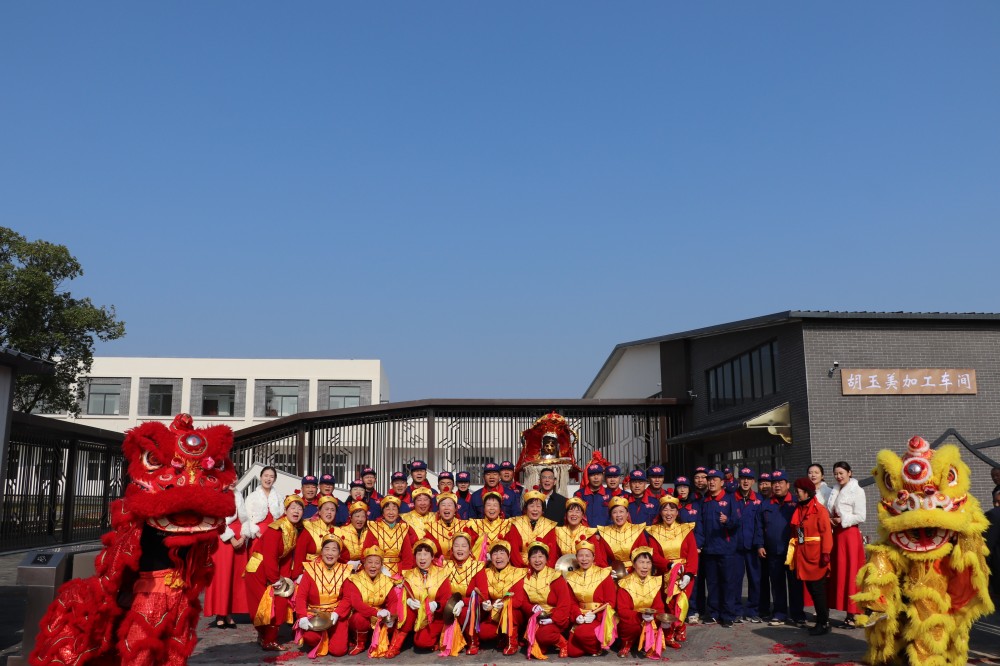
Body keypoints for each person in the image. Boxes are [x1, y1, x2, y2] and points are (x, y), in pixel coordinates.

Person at [244, 493, 305, 651]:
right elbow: (269, 556)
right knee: (262, 607)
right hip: (258, 570)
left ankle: (268, 638)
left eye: (299, 508)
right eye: (293, 508)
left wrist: (286, 578)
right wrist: (275, 579)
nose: (296, 511)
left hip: (273, 570)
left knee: (279, 602)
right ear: (286, 510)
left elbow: (285, 557)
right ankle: (266, 638)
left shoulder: (293, 529)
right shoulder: (276, 528)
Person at [757, 470, 806, 627]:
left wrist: (802, 544)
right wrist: (760, 545)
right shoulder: (765, 504)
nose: (777, 486)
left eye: (780, 482)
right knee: (777, 583)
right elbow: (759, 526)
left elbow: (801, 524)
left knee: (795, 584)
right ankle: (779, 613)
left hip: (793, 551)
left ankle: (797, 614)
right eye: (774, 483)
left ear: (787, 485)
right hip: (773, 551)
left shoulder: (796, 502)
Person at [294, 533, 352, 658]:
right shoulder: (310, 569)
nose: (330, 553)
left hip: (335, 616)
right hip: (315, 615)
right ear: (321, 552)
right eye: (327, 549)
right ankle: (322, 639)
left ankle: (332, 637)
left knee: (338, 651)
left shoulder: (345, 571)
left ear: (339, 554)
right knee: (310, 637)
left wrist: (337, 613)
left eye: (334, 550)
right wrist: (302, 616)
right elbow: (301, 596)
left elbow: (348, 598)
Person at [393, 539, 453, 656]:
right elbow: (405, 594)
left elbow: (446, 598)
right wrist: (408, 601)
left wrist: (436, 605)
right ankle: (395, 646)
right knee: (406, 611)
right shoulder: (409, 574)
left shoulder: (441, 574)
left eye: (425, 554)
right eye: (419, 554)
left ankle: (438, 638)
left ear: (432, 557)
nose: (422, 558)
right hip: (416, 614)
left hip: (435, 617)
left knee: (422, 642)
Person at [515, 541, 574, 658]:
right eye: (533, 557)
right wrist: (532, 608)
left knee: (544, 635)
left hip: (555, 617)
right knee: (537, 643)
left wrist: (552, 619)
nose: (537, 560)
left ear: (547, 559)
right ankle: (544, 642)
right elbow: (523, 601)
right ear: (529, 559)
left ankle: (563, 644)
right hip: (536, 618)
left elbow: (565, 603)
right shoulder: (525, 577)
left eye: (541, 556)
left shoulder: (555, 576)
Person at [825, 461, 866, 627]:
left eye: (841, 473)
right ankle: (844, 610)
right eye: (836, 473)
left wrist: (842, 519)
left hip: (850, 535)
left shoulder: (858, 490)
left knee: (851, 572)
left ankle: (853, 614)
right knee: (840, 572)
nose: (838, 476)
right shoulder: (835, 490)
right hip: (837, 535)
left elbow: (861, 516)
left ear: (850, 473)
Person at [791, 477, 833, 636]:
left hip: (816, 557)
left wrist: (826, 553)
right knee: (812, 590)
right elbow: (798, 531)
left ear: (807, 492)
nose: (796, 494)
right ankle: (821, 621)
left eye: (798, 491)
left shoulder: (819, 510)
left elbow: (826, 533)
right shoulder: (800, 508)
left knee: (818, 591)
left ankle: (824, 623)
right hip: (803, 555)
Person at [470, 540, 527, 656]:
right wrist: (485, 603)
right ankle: (501, 636)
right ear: (490, 557)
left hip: (513, 613)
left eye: (502, 553)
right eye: (495, 553)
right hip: (493, 612)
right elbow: (483, 594)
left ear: (508, 557)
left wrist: (504, 604)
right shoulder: (486, 572)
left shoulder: (518, 573)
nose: (498, 557)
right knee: (484, 633)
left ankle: (512, 642)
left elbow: (519, 600)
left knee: (510, 611)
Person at [204, 481, 249, 629]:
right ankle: (220, 613)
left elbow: (245, 519)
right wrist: (232, 539)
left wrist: (243, 536)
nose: (233, 481)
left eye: (235, 477)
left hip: (239, 539)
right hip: (224, 539)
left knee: (235, 577)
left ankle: (229, 613)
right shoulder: (218, 495)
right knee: (222, 577)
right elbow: (218, 520)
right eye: (230, 478)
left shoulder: (238, 494)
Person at [700, 468, 740, 627]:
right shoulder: (705, 501)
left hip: (726, 549)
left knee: (728, 582)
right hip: (709, 549)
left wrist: (727, 521)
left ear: (722, 482)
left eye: (714, 480)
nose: (711, 482)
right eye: (709, 480)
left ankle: (728, 614)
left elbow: (737, 521)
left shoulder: (730, 499)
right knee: (712, 583)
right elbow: (700, 525)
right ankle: (713, 613)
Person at [341, 546, 398, 656]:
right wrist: (376, 613)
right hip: (364, 614)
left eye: (377, 563)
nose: (373, 566)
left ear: (381, 565)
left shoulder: (387, 580)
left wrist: (391, 616)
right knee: (358, 618)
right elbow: (356, 603)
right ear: (364, 564)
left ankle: (384, 641)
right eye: (369, 562)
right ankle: (360, 643)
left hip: (381, 615)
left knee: (397, 619)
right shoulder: (354, 579)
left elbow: (393, 601)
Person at [564, 540, 617, 657]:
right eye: (580, 556)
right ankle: (589, 644)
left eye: (587, 555)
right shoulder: (571, 576)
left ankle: (596, 647)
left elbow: (610, 602)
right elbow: (571, 601)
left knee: (582, 633)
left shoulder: (604, 574)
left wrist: (595, 614)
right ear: (576, 558)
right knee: (573, 652)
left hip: (599, 617)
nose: (584, 559)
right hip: (581, 616)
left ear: (593, 557)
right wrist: (577, 615)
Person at [616, 547, 671, 658]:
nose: (645, 566)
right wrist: (640, 616)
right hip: (633, 620)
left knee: (666, 622)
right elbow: (622, 611)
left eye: (648, 562)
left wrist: (658, 617)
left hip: (650, 619)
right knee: (630, 626)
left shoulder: (655, 582)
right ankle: (626, 644)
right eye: (641, 562)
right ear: (633, 564)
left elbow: (659, 607)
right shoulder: (624, 583)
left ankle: (650, 642)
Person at [646, 495, 698, 599]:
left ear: (677, 512)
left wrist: (688, 574)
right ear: (660, 512)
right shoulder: (654, 531)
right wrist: (670, 565)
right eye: (665, 510)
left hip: (683, 574)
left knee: (681, 605)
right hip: (663, 574)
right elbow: (654, 555)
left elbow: (693, 555)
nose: (668, 513)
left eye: (672, 510)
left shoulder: (686, 529)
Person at [442, 533, 484, 654]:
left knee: (466, 612)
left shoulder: (477, 567)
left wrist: (463, 602)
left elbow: (483, 596)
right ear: (452, 549)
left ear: (470, 550)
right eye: (456, 545)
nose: (460, 549)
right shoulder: (445, 566)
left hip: (472, 608)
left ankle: (473, 641)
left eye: (464, 546)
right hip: (450, 605)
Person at [733, 467, 764, 623]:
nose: (745, 481)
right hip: (736, 548)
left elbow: (760, 525)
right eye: (743, 478)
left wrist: (759, 544)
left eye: (749, 479)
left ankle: (752, 610)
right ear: (739, 480)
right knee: (735, 580)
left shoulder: (758, 499)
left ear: (753, 481)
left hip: (753, 547)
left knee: (755, 580)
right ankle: (736, 611)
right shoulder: (732, 498)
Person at [363, 495, 416, 577]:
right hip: (378, 570)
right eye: (387, 509)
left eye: (394, 509)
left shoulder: (403, 528)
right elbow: (366, 552)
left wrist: (405, 575)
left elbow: (407, 556)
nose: (391, 512)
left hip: (398, 571)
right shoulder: (374, 527)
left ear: (398, 513)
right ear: (383, 513)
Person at [503, 490, 558, 568]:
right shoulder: (516, 523)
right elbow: (514, 552)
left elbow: (552, 554)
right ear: (526, 508)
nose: (535, 509)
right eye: (531, 506)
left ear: (542, 509)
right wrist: (523, 568)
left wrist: (544, 570)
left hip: (543, 568)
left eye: (538, 506)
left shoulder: (549, 525)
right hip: (520, 567)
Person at [596, 496, 650, 573]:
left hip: (635, 571)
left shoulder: (637, 530)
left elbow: (643, 556)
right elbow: (601, 559)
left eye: (621, 511)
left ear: (627, 514)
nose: (618, 515)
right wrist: (608, 572)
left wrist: (631, 570)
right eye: (614, 512)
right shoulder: (604, 532)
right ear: (611, 515)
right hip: (614, 572)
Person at [424, 491, 473, 561]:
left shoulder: (466, 525)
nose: (446, 508)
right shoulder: (430, 528)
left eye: (450, 505)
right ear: (439, 510)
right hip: (439, 566)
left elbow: (472, 550)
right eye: (443, 505)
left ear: (455, 509)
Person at [469, 491, 512, 561]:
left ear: (500, 509)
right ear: (484, 508)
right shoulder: (475, 524)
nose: (492, 508)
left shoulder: (508, 524)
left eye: (495, 505)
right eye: (488, 505)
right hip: (479, 563)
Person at [295, 495, 337, 565]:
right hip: (309, 567)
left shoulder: (338, 531)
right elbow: (299, 554)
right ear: (319, 512)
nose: (329, 512)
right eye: (326, 509)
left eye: (332, 510)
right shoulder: (308, 527)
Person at [244, 466, 282, 543]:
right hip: (257, 536)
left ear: (274, 480)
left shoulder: (279, 497)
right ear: (261, 477)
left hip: (274, 535)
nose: (268, 479)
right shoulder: (252, 497)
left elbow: (282, 517)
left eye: (271, 477)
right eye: (266, 476)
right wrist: (257, 533)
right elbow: (247, 518)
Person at [334, 500, 371, 567]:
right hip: (345, 567)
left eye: (363, 516)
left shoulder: (370, 532)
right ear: (351, 517)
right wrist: (349, 563)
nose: (360, 519)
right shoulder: (340, 532)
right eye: (357, 516)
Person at [573, 463, 611, 527]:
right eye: (592, 475)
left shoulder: (609, 494)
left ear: (602, 476)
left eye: (598, 474)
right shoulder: (579, 494)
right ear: (588, 477)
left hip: (606, 531)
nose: (596, 478)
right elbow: (575, 516)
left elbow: (613, 515)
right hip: (585, 531)